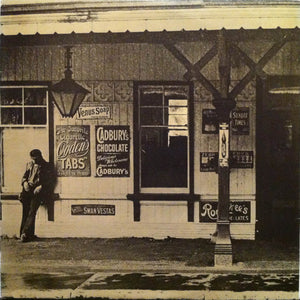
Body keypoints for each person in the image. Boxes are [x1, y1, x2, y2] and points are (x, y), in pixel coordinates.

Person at [19, 149, 55, 242]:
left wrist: (41, 186)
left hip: (38, 192)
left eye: (36, 159)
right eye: (32, 159)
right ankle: (27, 235)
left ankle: (25, 233)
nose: (34, 161)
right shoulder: (29, 164)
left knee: (32, 211)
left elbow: (51, 180)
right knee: (25, 212)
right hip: (27, 191)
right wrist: (24, 182)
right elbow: (24, 176)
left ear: (40, 156)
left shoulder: (48, 166)